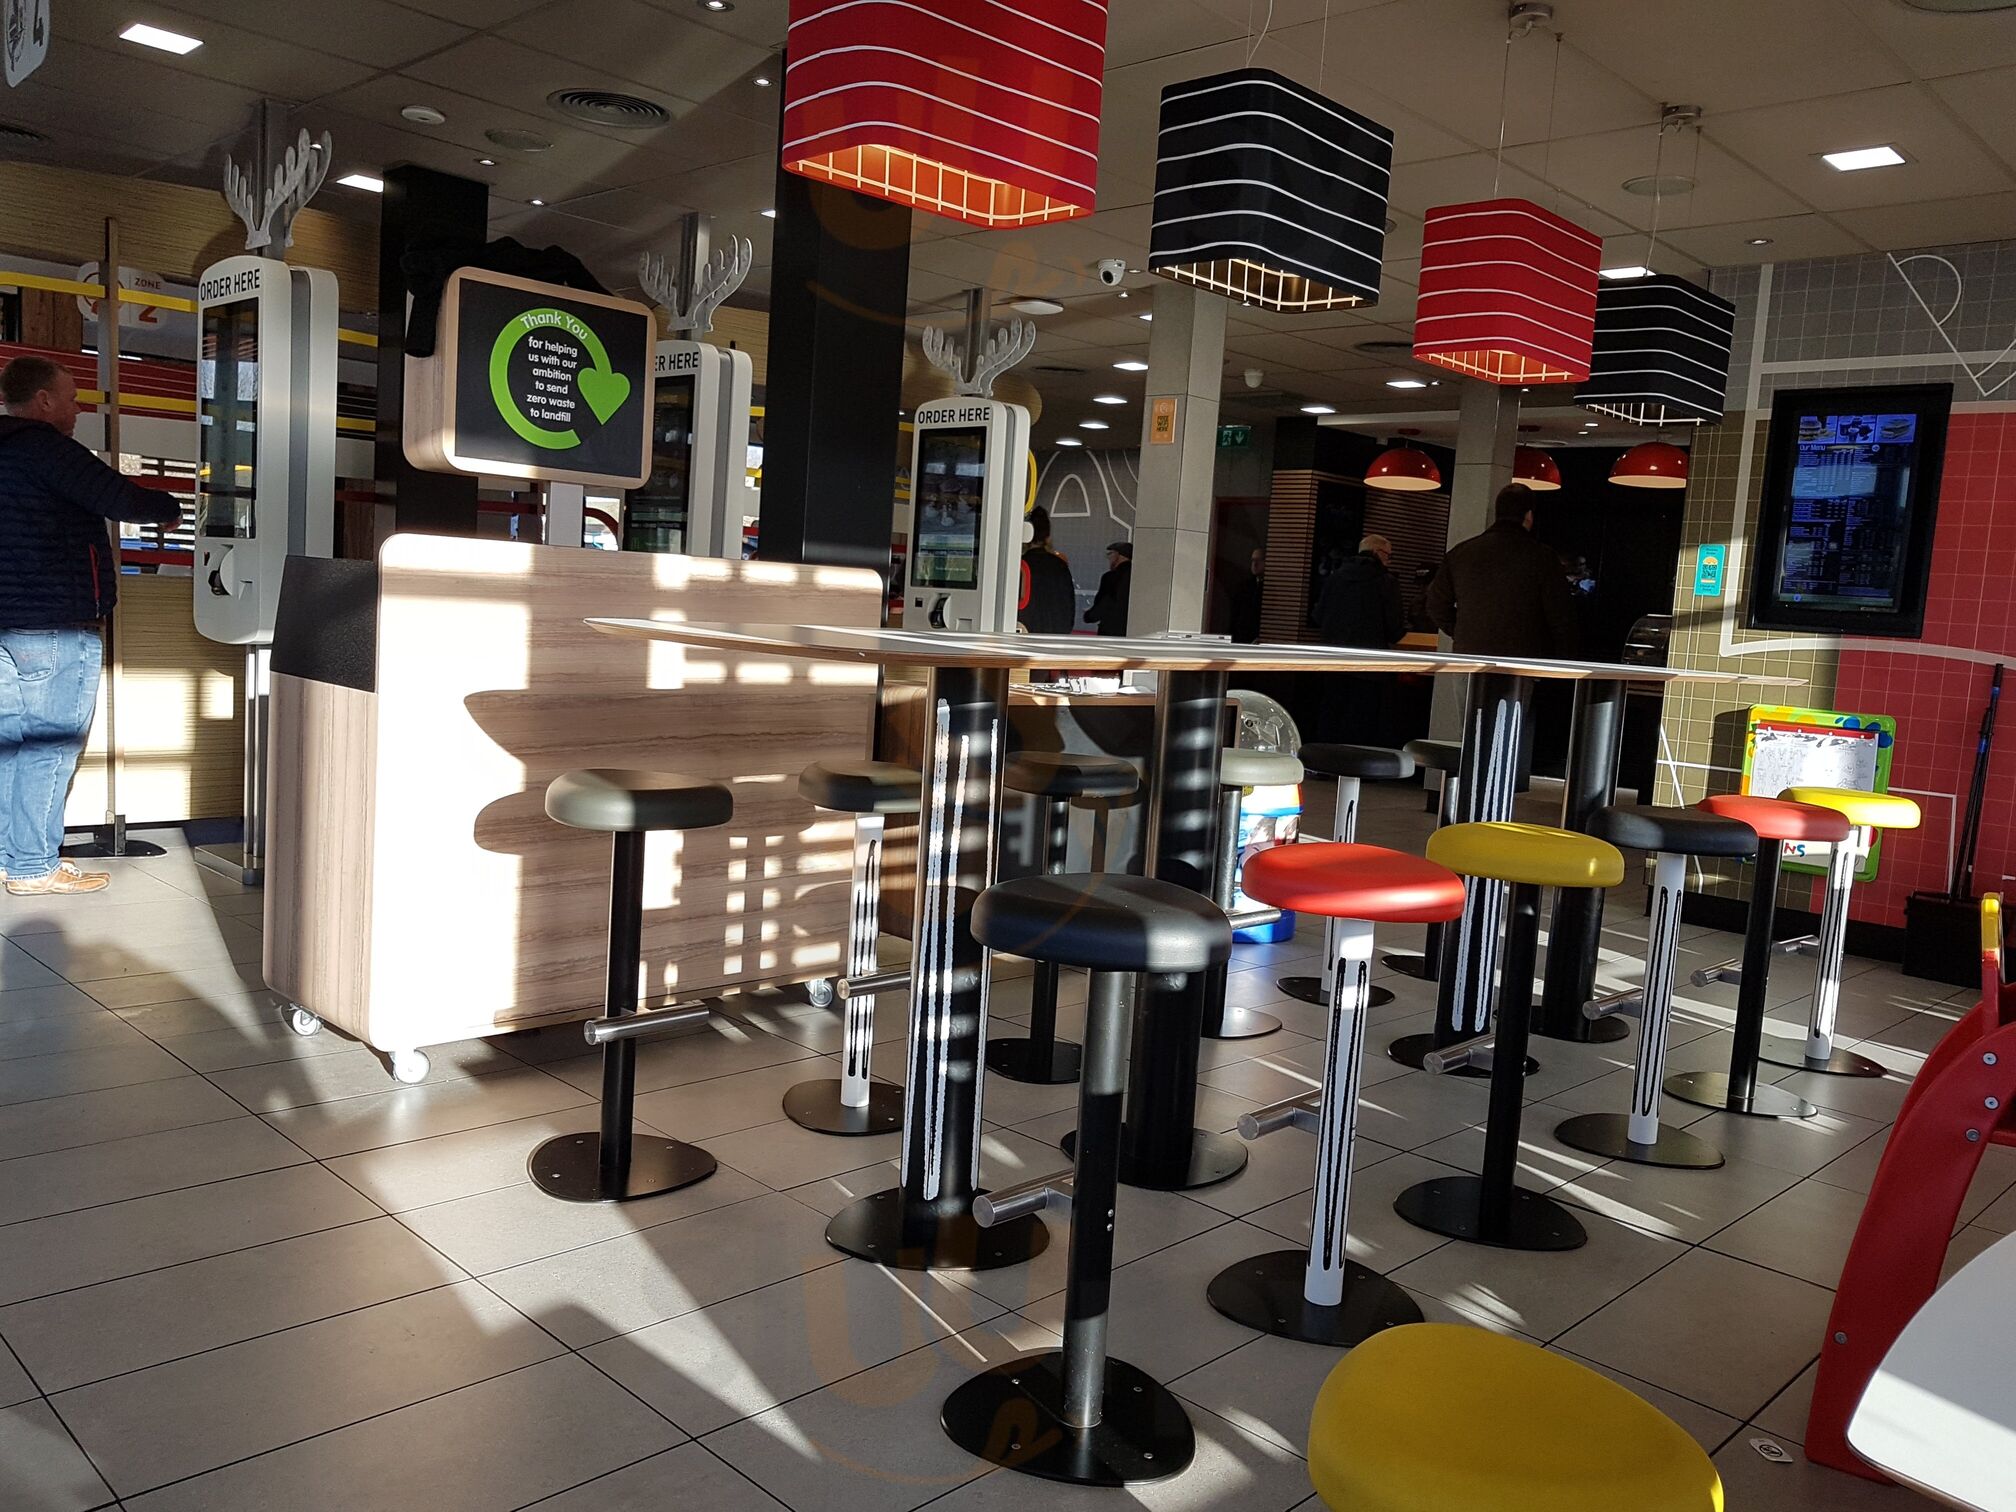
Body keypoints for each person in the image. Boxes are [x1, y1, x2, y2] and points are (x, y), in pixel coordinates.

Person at [0, 355, 180, 895]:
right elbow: (119, 498)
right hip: (53, 621)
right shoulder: (47, 449)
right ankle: (33, 866)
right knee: (49, 745)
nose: (77, 409)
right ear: (44, 400)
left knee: (9, 744)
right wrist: (170, 506)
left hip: (6, 625)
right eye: (72, 398)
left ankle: (10, 858)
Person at [1425, 483, 1580, 659]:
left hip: (1469, 656)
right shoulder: (1542, 557)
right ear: (1529, 515)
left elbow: (1435, 605)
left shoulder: (1460, 553)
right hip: (1523, 656)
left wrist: (1463, 630)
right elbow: (1561, 616)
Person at [1313, 534, 1406, 649]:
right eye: (1389, 555)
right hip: (1370, 649)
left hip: (1334, 648)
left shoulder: (1335, 578)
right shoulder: (1386, 581)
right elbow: (1394, 626)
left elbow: (1318, 615)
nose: (1389, 560)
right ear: (1377, 552)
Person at [1018, 505, 1076, 635]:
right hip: (1056, 637)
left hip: (1026, 635)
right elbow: (1069, 608)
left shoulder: (1021, 565)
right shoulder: (1061, 566)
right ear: (1047, 537)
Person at [1086, 538, 1132, 637]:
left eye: (1110, 554)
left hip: (1110, 631)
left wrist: (1089, 616)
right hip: (1131, 631)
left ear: (1119, 555)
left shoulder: (1111, 577)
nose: (1109, 558)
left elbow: (1105, 603)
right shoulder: (1137, 578)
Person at [1229, 547, 1265, 643]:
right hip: (1241, 637)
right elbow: (1235, 614)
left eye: (1259, 560)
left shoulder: (1269, 588)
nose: (1255, 564)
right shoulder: (1243, 587)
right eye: (1253, 560)